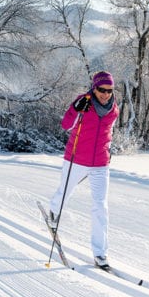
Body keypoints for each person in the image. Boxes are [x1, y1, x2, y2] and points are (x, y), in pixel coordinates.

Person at [48, 71, 119, 269]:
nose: (105, 94)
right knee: (64, 192)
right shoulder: (83, 102)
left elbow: (109, 132)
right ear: (94, 88)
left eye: (109, 90)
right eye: (102, 90)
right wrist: (74, 109)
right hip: (76, 159)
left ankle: (100, 254)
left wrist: (108, 150)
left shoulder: (114, 109)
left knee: (100, 206)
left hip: (100, 163)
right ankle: (54, 213)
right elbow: (66, 125)